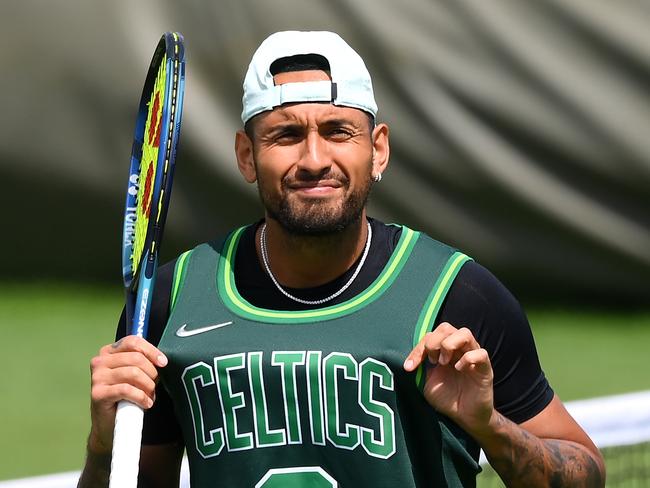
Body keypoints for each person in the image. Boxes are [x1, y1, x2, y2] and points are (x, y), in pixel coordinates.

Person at [79, 31, 605, 487]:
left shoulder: (457, 295)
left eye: (338, 132)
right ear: (245, 155)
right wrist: (106, 446)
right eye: (285, 135)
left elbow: (586, 472)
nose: (313, 160)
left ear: (378, 149)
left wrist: (492, 428)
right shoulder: (173, 301)